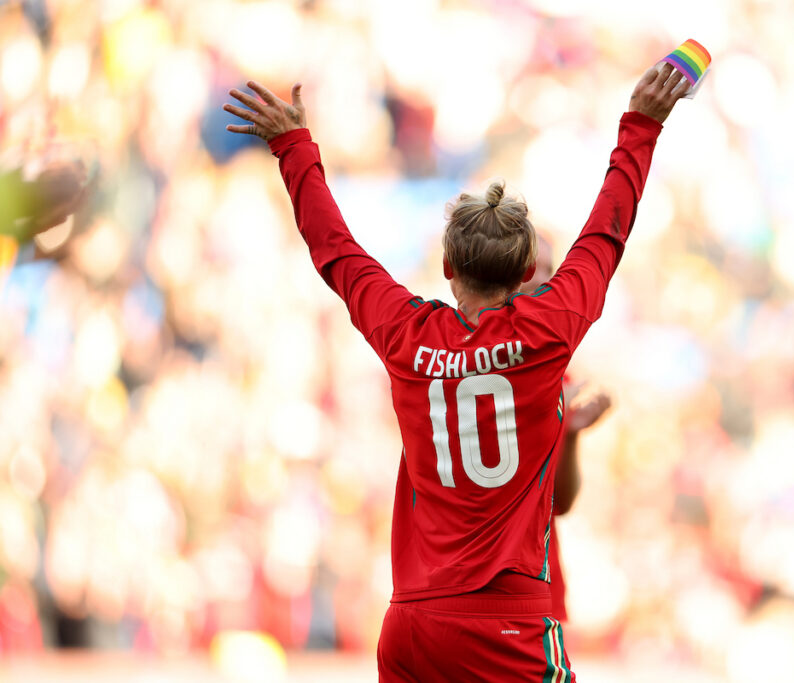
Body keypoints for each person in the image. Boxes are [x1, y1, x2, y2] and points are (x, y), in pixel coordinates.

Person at [224, 55, 691, 681]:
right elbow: (605, 235)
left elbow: (335, 250)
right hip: (507, 625)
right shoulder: (547, 333)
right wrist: (641, 124)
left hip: (413, 625)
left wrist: (293, 147)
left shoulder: (405, 334)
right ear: (526, 274)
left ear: (447, 267)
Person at [521, 234, 612, 622]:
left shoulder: (560, 372)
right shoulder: (461, 356)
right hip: (486, 587)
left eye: (550, 269)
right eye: (532, 268)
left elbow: (560, 502)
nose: (544, 279)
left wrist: (570, 433)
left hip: (539, 578)